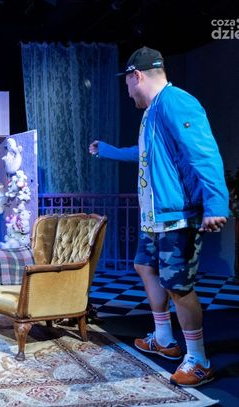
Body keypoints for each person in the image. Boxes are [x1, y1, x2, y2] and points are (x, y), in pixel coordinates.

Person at [88, 47, 229, 387]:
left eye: (127, 83)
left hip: (177, 216)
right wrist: (107, 151)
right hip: (156, 216)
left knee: (179, 287)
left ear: (136, 76)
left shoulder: (176, 102)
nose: (127, 91)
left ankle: (198, 360)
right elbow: (144, 153)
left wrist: (216, 204)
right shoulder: (152, 112)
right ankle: (164, 338)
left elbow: (204, 152)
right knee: (144, 266)